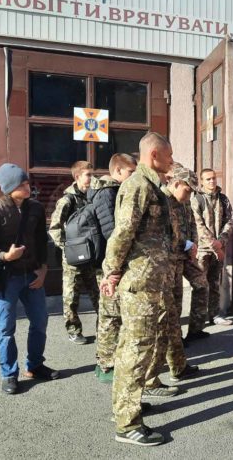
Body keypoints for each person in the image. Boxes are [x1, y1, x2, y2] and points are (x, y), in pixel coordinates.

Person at [100, 132, 176, 446]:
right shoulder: (138, 186)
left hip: (152, 281)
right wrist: (111, 271)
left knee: (139, 347)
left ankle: (130, 404)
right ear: (155, 154)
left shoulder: (152, 185)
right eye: (169, 156)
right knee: (134, 350)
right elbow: (122, 233)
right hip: (140, 284)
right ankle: (127, 425)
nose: (171, 161)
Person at [0, 163, 59, 395]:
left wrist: (43, 269)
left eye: (27, 182)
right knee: (6, 329)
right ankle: (9, 374)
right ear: (9, 187)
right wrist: (3, 256)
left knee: (40, 322)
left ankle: (35, 366)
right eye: (22, 184)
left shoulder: (36, 208)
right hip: (5, 278)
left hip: (32, 275)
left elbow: (42, 241)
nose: (27, 187)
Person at [89, 153, 136, 383]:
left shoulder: (113, 191)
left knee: (112, 314)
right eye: (130, 172)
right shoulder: (107, 194)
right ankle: (106, 364)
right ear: (117, 171)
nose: (133, 176)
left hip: (111, 264)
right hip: (107, 266)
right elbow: (112, 233)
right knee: (109, 316)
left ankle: (109, 359)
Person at [163, 164, 209, 380]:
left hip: (182, 257)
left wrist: (192, 247)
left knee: (178, 307)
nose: (189, 195)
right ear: (176, 183)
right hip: (166, 263)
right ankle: (169, 364)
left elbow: (191, 228)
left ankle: (179, 358)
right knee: (169, 313)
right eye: (188, 190)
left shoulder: (183, 203)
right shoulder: (161, 202)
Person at [49, 160, 100, 345]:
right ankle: (73, 330)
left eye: (92, 175)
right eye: (88, 175)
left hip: (92, 256)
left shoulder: (93, 196)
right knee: (71, 297)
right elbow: (54, 228)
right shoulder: (67, 200)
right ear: (77, 176)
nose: (91, 179)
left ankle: (103, 329)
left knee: (98, 294)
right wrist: (67, 248)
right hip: (73, 258)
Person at [191, 168, 233, 327]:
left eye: (213, 178)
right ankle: (197, 321)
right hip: (203, 250)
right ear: (202, 181)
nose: (212, 181)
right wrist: (213, 244)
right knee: (200, 285)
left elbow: (229, 221)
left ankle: (215, 315)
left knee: (215, 283)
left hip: (219, 248)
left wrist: (221, 242)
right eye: (208, 179)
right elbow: (198, 225)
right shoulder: (196, 199)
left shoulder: (223, 199)